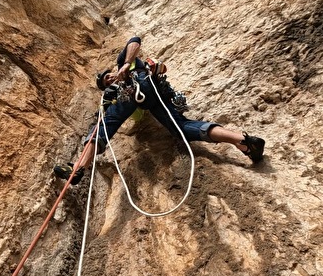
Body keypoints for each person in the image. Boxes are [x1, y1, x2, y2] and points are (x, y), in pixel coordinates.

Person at [54, 37, 265, 185]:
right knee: (180, 129)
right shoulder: (111, 94)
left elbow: (134, 40)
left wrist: (126, 65)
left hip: (145, 84)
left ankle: (78, 168)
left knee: (103, 127)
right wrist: (111, 100)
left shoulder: (123, 64)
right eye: (105, 82)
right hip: (147, 99)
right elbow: (132, 114)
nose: (108, 79)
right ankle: (242, 141)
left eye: (107, 76)